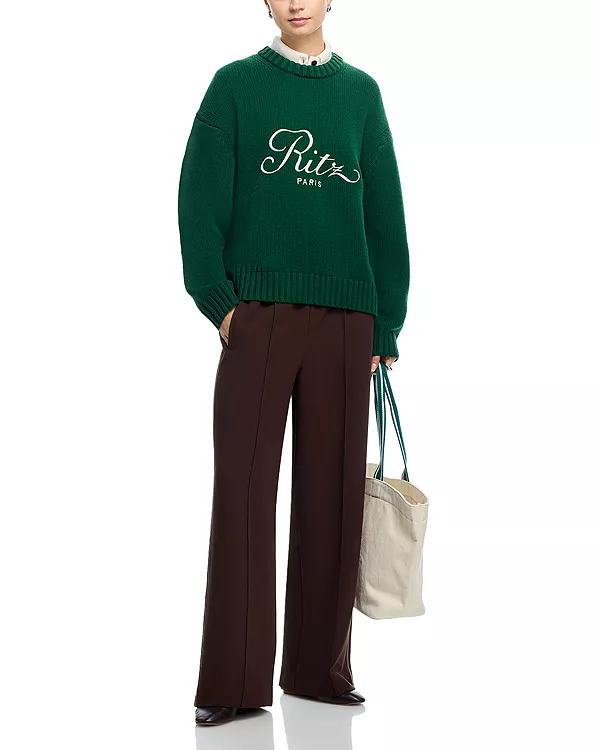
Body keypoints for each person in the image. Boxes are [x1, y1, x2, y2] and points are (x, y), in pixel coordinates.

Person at [177, 0, 410, 727]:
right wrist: (220, 302)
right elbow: (198, 200)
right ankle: (232, 682)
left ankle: (319, 672)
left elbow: (385, 216)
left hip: (348, 320)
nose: (296, 2)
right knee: (243, 493)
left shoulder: (361, 94)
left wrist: (386, 323)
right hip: (260, 316)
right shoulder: (235, 87)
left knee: (332, 496)